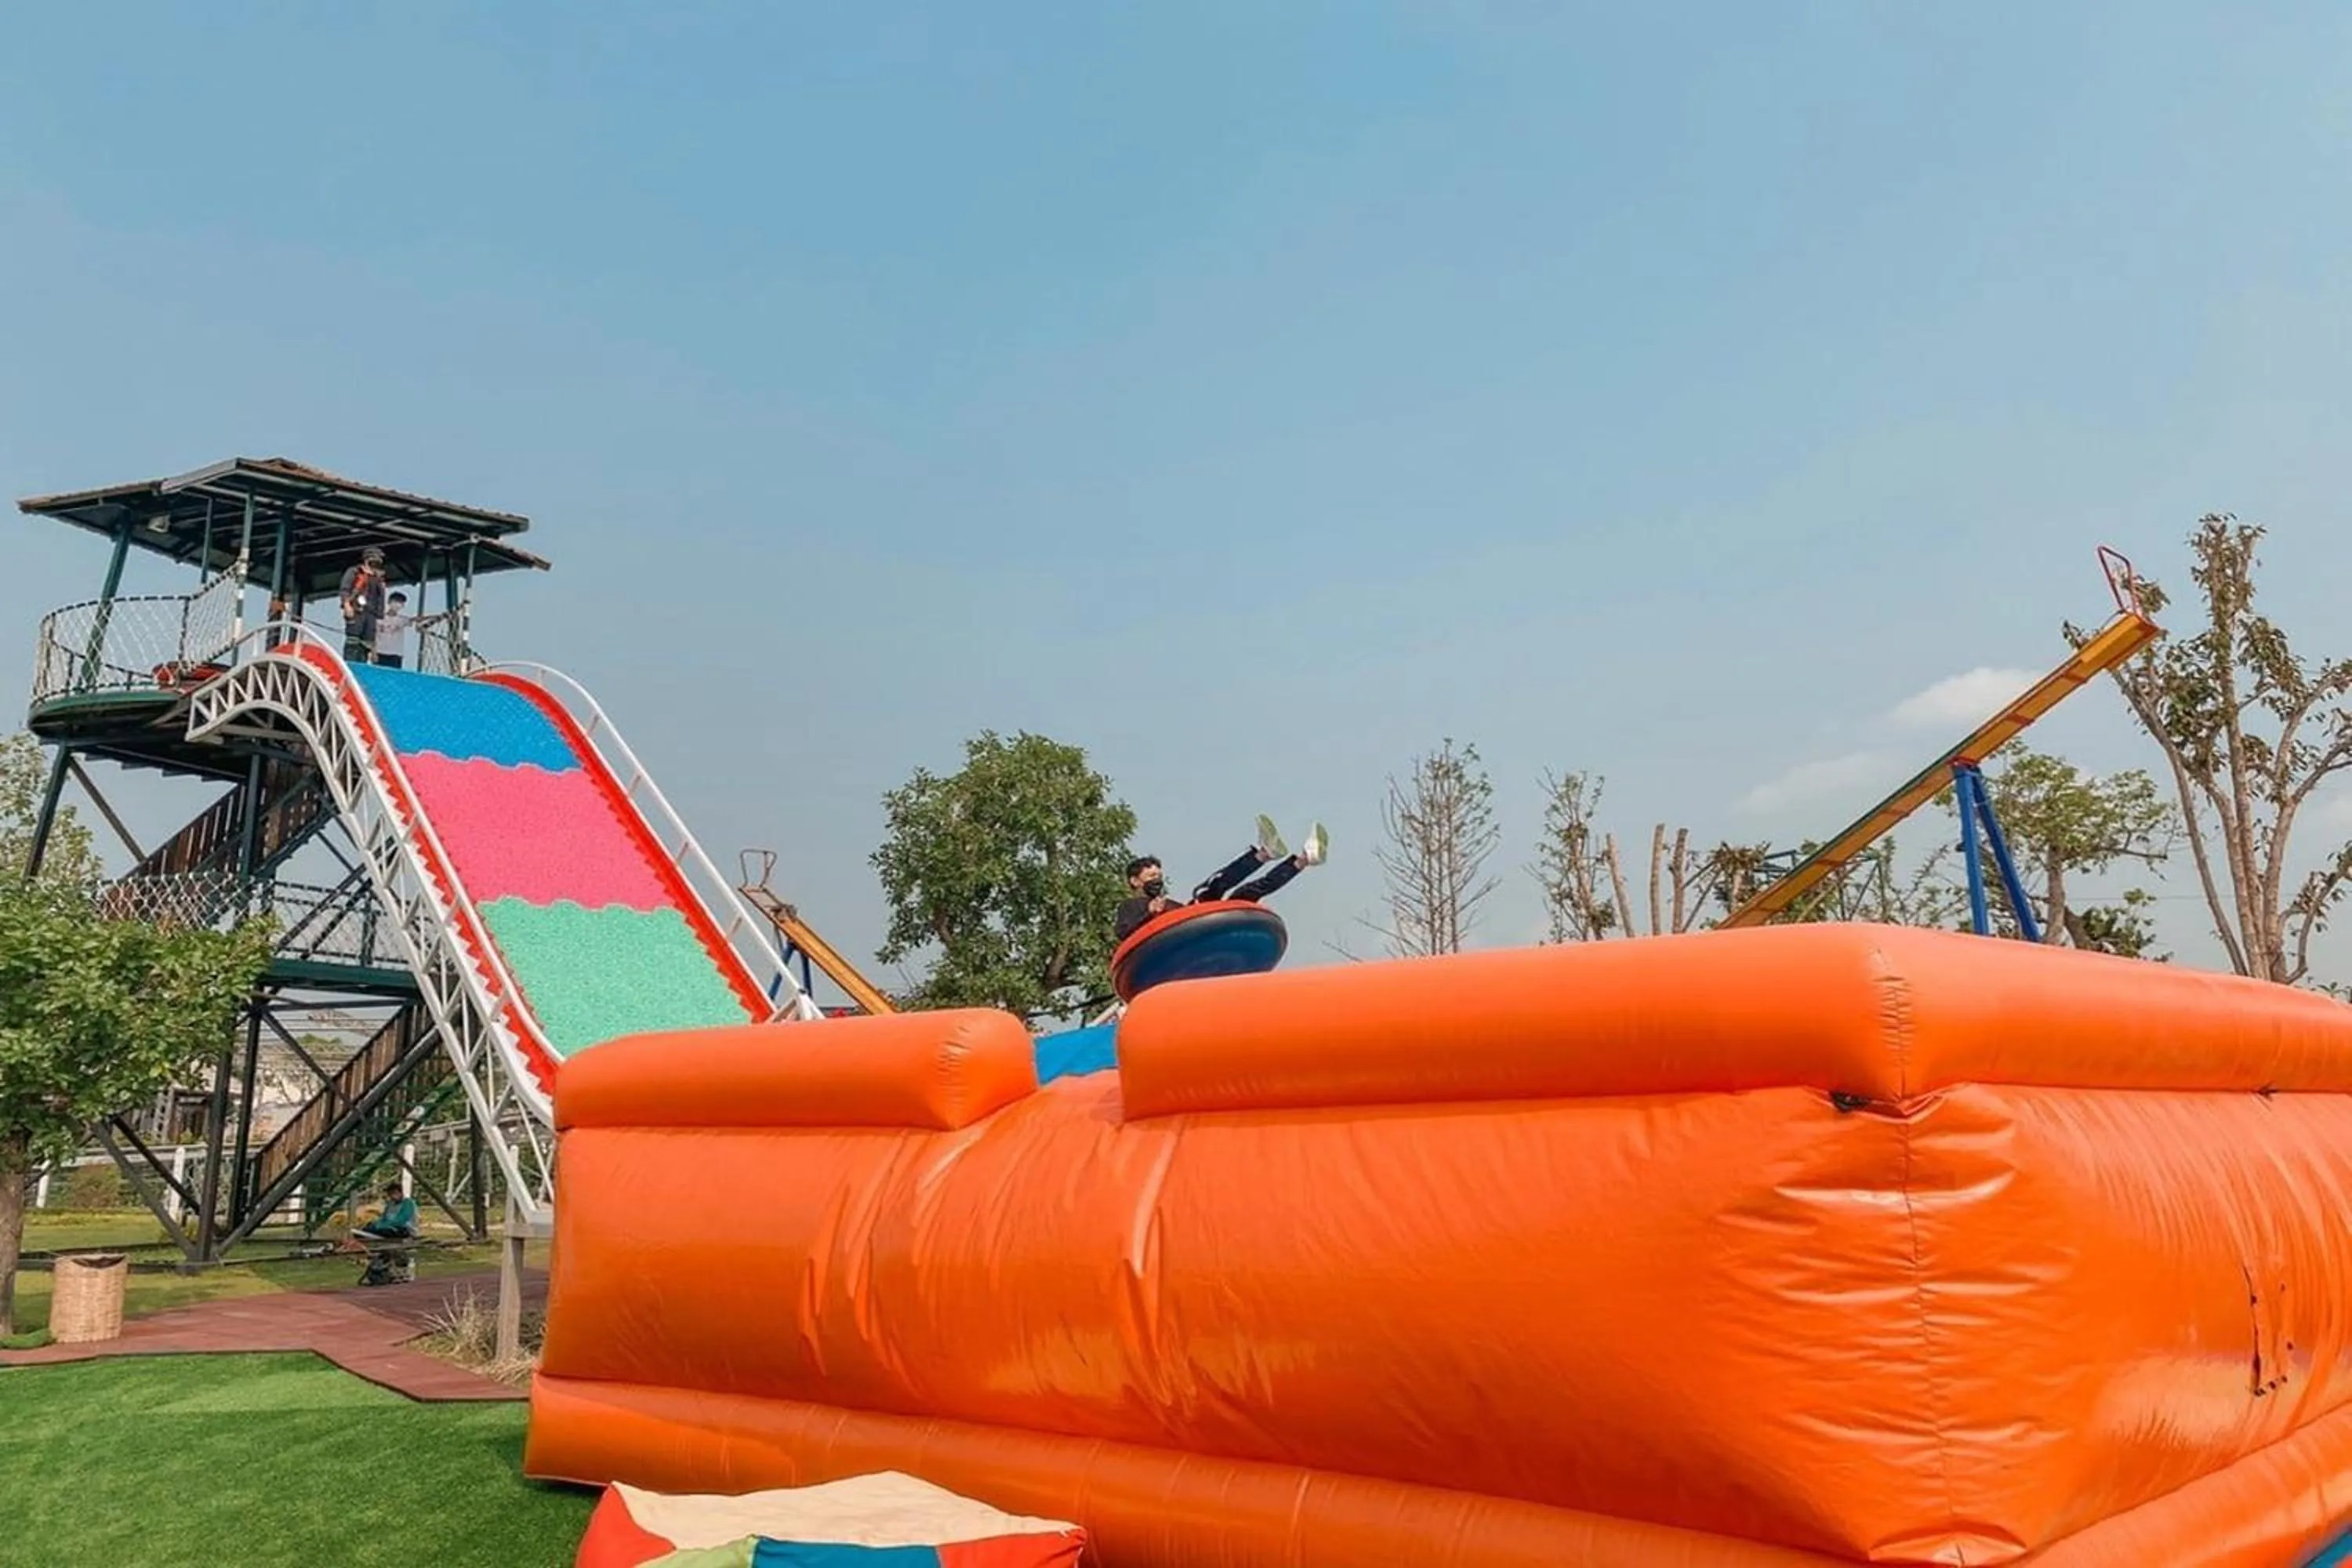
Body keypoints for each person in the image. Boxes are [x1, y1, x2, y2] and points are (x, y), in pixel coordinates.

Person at [1116, 816, 1327, 943]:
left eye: (1159, 876)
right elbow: (1123, 932)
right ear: (1135, 881)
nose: (1157, 880)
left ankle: (1302, 860)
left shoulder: (1170, 905)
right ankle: (1265, 854)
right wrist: (1149, 913)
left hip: (1195, 928)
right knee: (1207, 893)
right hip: (1168, 942)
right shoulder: (1131, 906)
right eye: (1152, 876)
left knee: (1245, 894)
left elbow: (1188, 917)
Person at [337, 546, 389, 664]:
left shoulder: (378, 578)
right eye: (376, 558)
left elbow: (380, 598)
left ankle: (362, 663)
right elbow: (345, 589)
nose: (378, 561)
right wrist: (346, 604)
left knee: (367, 642)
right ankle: (350, 663)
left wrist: (380, 617)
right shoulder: (355, 572)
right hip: (357, 610)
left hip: (371, 614)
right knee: (353, 639)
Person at [374, 591, 412, 670]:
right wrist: (373, 652)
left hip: (395, 654)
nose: (398, 605)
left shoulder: (403, 620)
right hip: (380, 652)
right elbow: (373, 635)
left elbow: (416, 619)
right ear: (389, 602)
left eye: (401, 603)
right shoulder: (378, 618)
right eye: (396, 601)